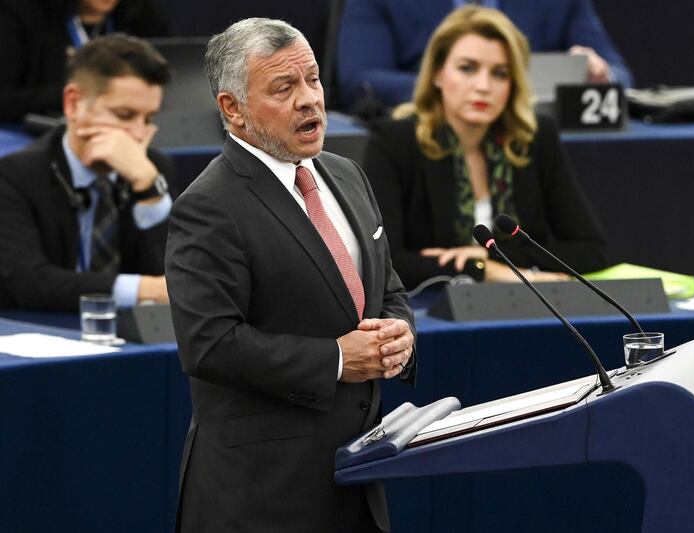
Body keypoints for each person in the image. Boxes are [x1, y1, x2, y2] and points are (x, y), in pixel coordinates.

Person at [164, 18, 416, 533]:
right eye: (284, 87)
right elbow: (209, 344)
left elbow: (385, 289)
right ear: (232, 108)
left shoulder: (347, 173)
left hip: (359, 481)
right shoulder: (209, 206)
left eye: (314, 80)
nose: (309, 100)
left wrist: (399, 334)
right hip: (263, 497)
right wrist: (338, 359)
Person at [362, 6, 608, 290]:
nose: (483, 86)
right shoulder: (395, 142)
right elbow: (384, 262)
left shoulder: (533, 138)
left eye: (500, 74)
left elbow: (590, 251)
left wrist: (488, 257)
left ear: (514, 84)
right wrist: (483, 270)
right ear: (438, 74)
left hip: (524, 311)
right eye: (467, 68)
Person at [0, 34, 174, 311]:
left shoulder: (152, 168)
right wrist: (147, 289)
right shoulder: (14, 175)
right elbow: (30, 281)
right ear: (73, 104)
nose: (140, 135)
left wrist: (148, 188)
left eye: (149, 119)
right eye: (124, 115)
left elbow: (177, 274)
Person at [337, 0, 633, 109]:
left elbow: (621, 77)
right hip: (425, 139)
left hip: (535, 139)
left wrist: (601, 74)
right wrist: (456, 91)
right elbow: (358, 80)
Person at [0, 0, 170, 121]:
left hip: (124, 129)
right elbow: (5, 99)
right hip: (35, 130)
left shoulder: (143, 13)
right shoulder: (18, 12)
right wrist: (91, 92)